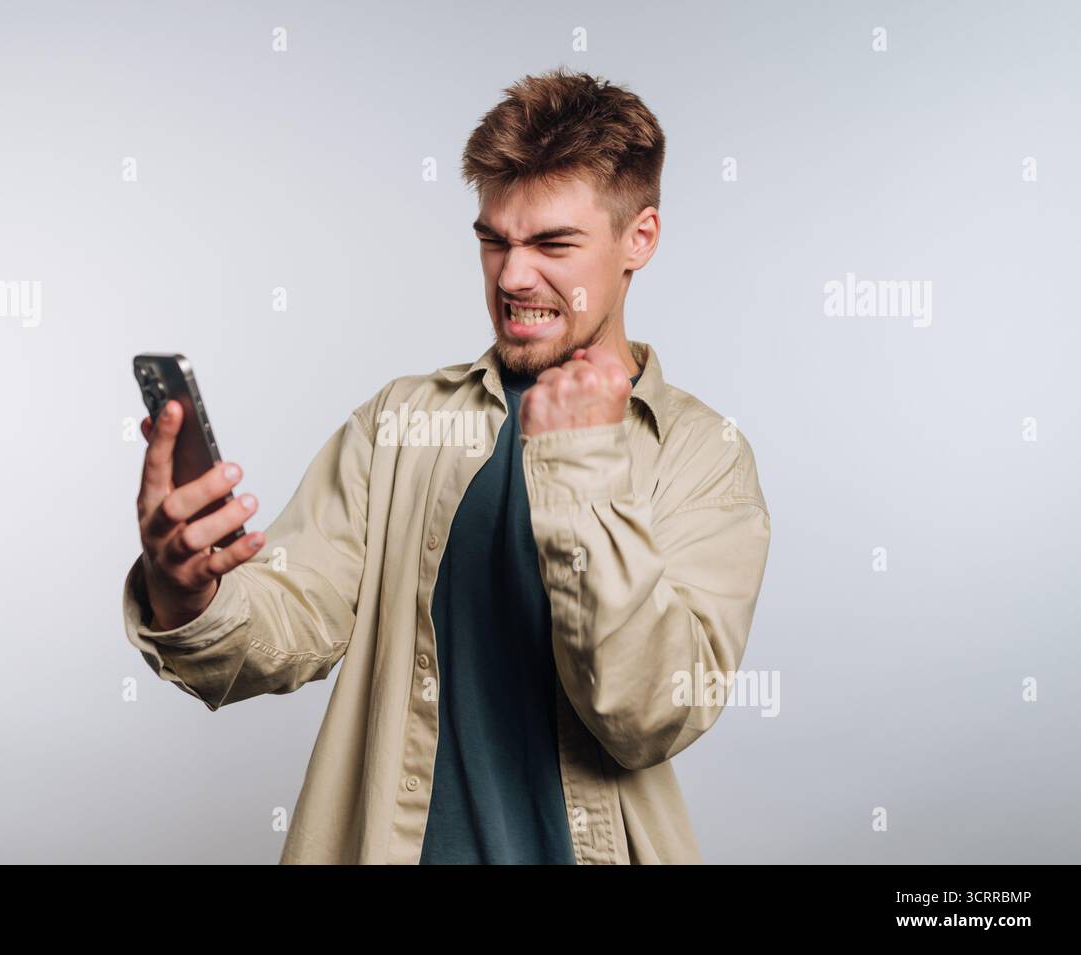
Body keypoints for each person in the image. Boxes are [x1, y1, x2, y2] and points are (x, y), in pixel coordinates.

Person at [122, 67, 771, 864]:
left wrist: (579, 461)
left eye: (552, 243)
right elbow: (286, 623)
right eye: (494, 240)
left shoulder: (705, 456)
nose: (512, 275)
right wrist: (186, 589)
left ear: (640, 238)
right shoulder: (400, 422)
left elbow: (650, 712)